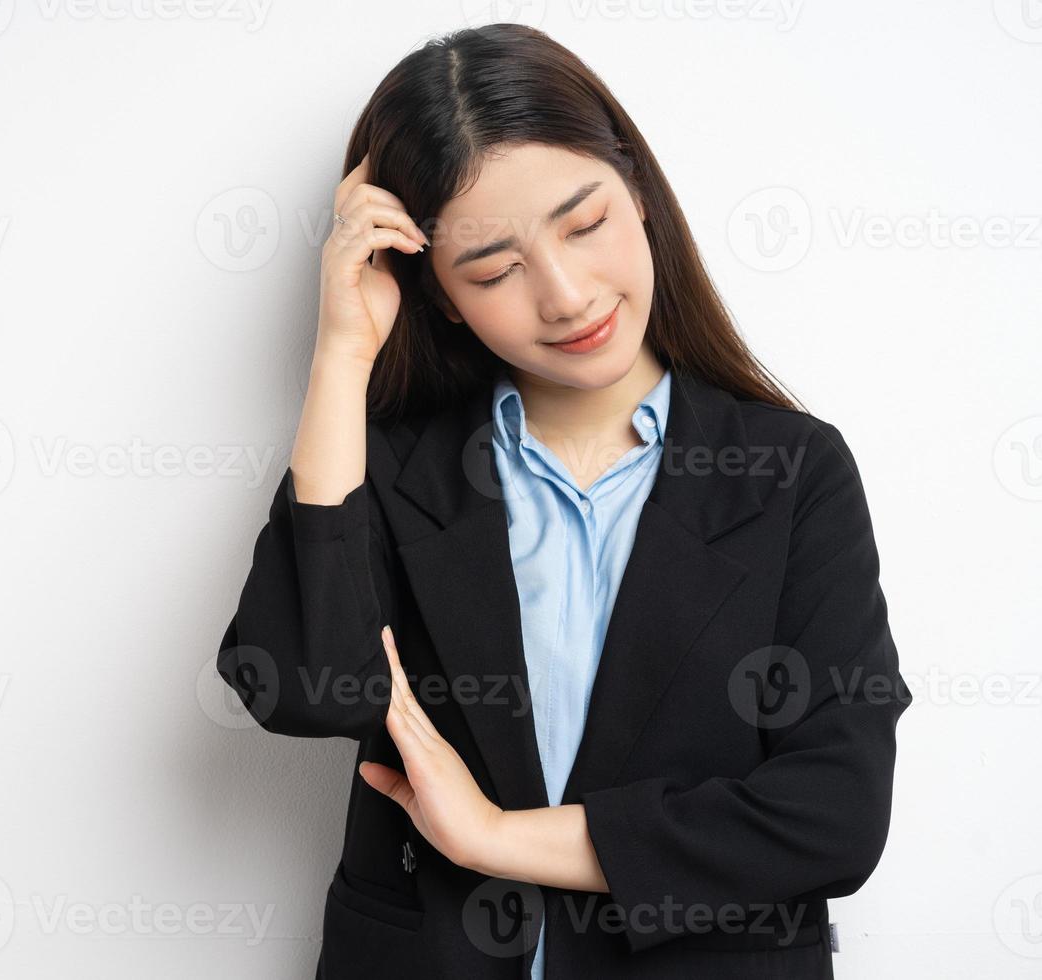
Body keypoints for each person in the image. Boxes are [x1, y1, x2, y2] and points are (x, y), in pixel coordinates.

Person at [217, 23, 909, 979]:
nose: (568, 295)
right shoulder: (391, 463)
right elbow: (299, 685)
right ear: (443, 296)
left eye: (586, 225)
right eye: (495, 269)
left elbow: (834, 814)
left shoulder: (793, 472)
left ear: (639, 195)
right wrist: (341, 356)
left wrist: (496, 837)